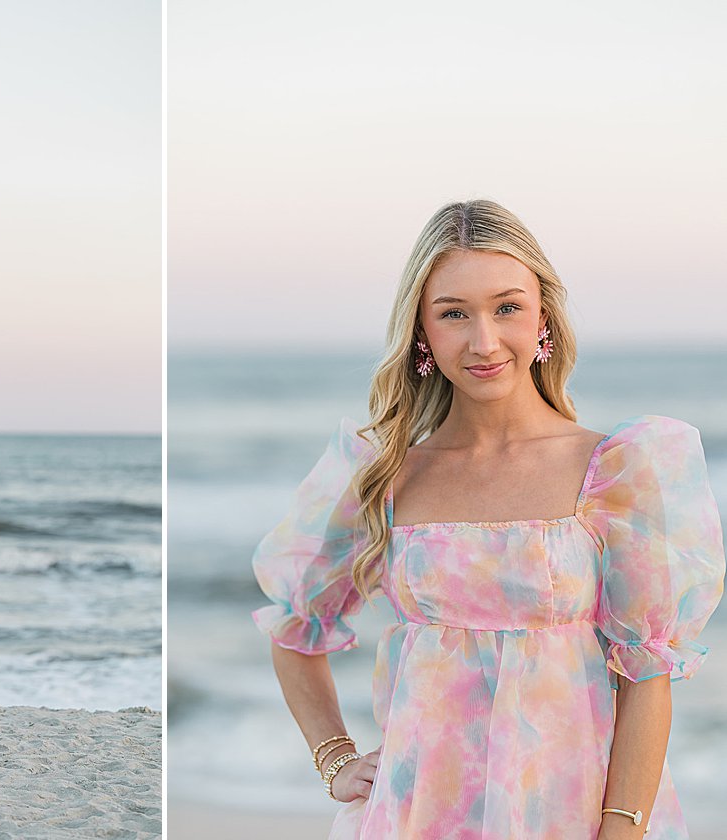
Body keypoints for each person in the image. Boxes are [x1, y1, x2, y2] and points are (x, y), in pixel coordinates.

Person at [250, 200, 725, 838]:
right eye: (453, 314)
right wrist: (333, 755)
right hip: (417, 814)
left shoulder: (616, 472)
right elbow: (293, 626)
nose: (484, 341)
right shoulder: (383, 476)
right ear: (422, 331)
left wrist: (622, 828)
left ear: (542, 317)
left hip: (573, 812)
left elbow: (647, 675)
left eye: (507, 307)